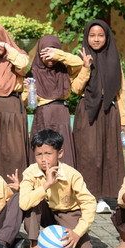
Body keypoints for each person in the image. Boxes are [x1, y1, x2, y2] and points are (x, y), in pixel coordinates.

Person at [20, 129, 96, 248]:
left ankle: (55, 242)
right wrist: (47, 184)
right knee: (34, 201)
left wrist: (77, 232)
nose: (43, 159)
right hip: (45, 214)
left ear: (60, 153)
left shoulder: (72, 174)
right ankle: (34, 246)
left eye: (48, 154)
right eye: (38, 155)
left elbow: (89, 203)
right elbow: (24, 203)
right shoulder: (30, 172)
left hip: (68, 213)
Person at [73, 19, 125, 210]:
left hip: (110, 112)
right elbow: (76, 88)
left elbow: (121, 93)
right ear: (87, 37)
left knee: (106, 154)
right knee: (88, 154)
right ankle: (86, 195)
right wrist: (86, 68)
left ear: (107, 37)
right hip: (88, 110)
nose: (96, 39)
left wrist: (124, 122)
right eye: (92, 35)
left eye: (100, 35)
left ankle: (101, 196)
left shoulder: (114, 60)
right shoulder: (81, 58)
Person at [24, 35, 85, 168]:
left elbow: (80, 63)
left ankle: (65, 184)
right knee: (42, 149)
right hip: (42, 116)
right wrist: (27, 89)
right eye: (45, 53)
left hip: (61, 115)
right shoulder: (33, 73)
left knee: (63, 150)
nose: (49, 58)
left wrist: (58, 55)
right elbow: (25, 102)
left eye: (52, 52)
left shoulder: (64, 70)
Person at [0, 24, 29, 181]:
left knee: (15, 151)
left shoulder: (16, 57)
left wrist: (6, 47)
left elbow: (23, 65)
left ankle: (18, 190)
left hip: (14, 107)